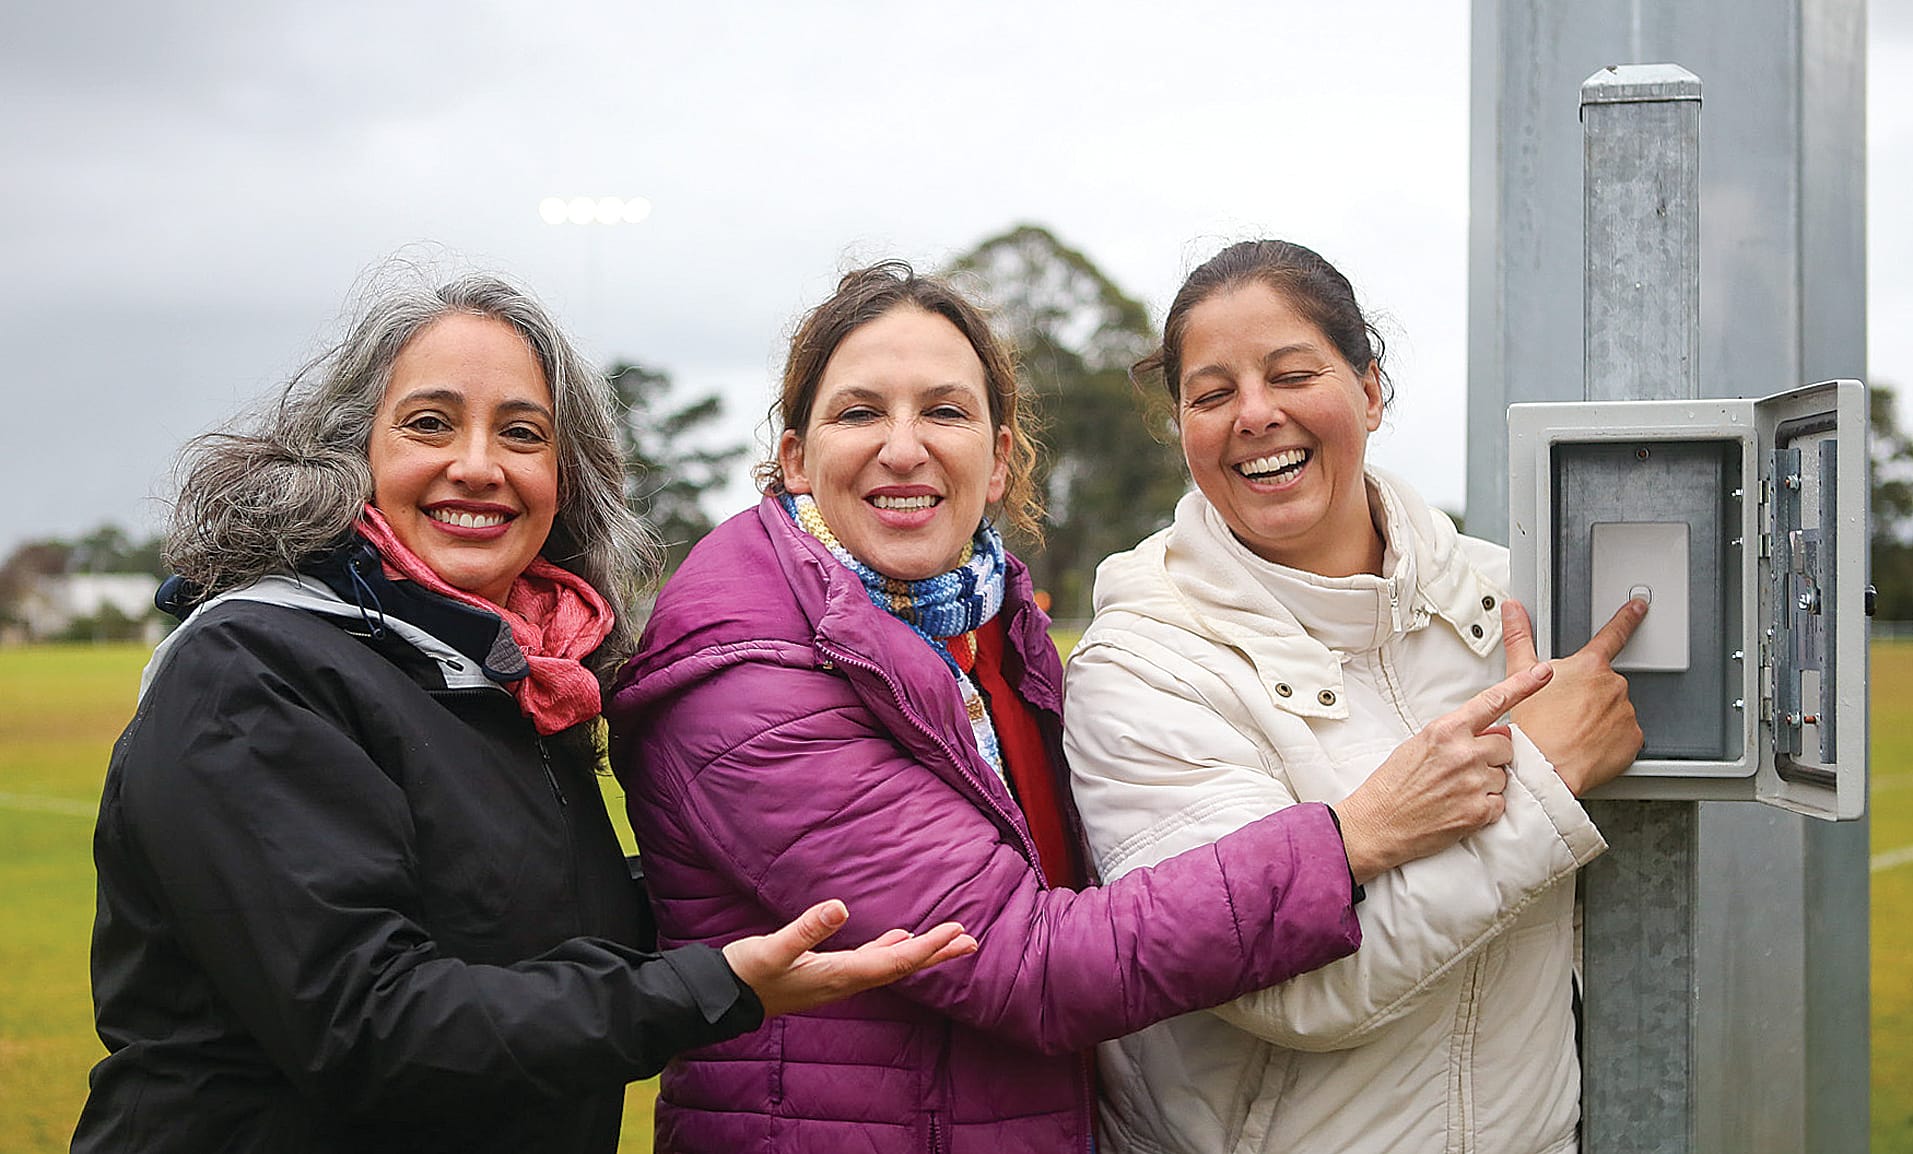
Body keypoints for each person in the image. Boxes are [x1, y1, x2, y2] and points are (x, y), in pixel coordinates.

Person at [605, 260, 1566, 1153]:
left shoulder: (985, 635)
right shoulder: (754, 679)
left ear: (998, 458)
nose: (903, 447)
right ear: (795, 457)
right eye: (860, 412)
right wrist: (1355, 835)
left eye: (944, 410)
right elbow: (1028, 963)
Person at [73, 271, 978, 1154]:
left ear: (564, 477)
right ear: (350, 455)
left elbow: (530, 927)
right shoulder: (252, 668)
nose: (478, 467)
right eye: (429, 424)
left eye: (521, 433)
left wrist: (781, 873)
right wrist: (712, 985)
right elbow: (371, 1028)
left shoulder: (516, 675)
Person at [1062, 239, 1647, 1154]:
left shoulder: (1508, 600)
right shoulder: (1141, 663)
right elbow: (1284, 990)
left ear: (1370, 391)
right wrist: (1542, 781)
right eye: (1211, 395)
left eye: (1292, 375)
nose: (1254, 414)